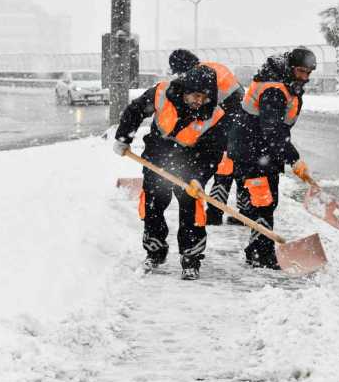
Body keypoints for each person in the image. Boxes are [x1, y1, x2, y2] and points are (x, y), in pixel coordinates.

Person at [113, 64, 225, 280]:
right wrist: (123, 138)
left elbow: (213, 152)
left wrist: (199, 178)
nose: (199, 101)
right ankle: (155, 251)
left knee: (192, 212)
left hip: (191, 164)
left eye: (205, 97)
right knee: (152, 206)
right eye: (196, 95)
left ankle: (191, 258)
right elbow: (134, 111)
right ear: (185, 89)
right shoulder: (162, 93)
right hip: (158, 157)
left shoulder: (215, 115)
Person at [228, 47, 317, 269]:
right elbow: (272, 130)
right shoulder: (274, 90)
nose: (304, 77)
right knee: (263, 203)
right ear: (290, 68)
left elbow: (275, 132)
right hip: (252, 153)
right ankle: (260, 255)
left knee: (264, 203)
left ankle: (257, 251)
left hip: (260, 152)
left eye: (308, 73)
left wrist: (284, 155)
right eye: (300, 71)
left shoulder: (284, 84)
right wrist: (294, 159)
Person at [169, 49, 245, 226]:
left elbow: (206, 109)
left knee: (224, 165)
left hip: (229, 119)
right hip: (239, 118)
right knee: (238, 165)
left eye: (179, 72)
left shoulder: (202, 76)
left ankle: (215, 213)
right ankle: (243, 211)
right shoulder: (212, 67)